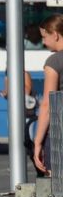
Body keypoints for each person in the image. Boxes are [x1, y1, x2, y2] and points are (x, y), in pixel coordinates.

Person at [33, 14, 63, 175]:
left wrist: (38, 142)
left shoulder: (54, 62)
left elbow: (48, 105)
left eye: (45, 37)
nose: (43, 42)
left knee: (58, 188)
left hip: (59, 134)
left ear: (55, 34)